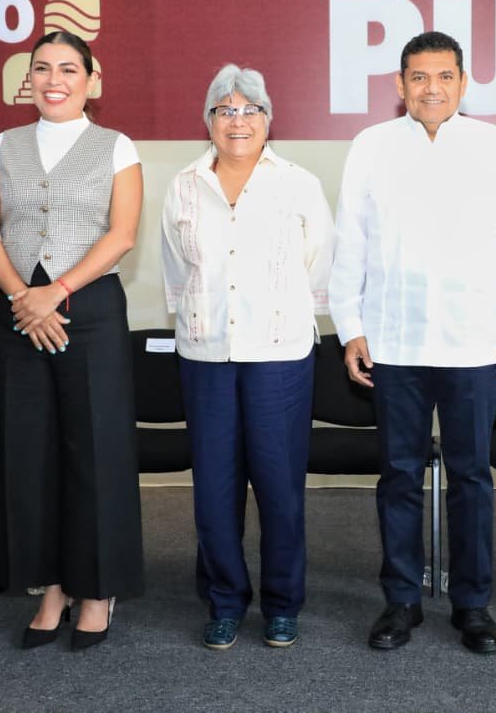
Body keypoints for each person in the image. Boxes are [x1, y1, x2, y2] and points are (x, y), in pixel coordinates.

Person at [330, 31, 496, 654]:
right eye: (419, 77)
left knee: (471, 476)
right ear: (400, 85)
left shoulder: (495, 146)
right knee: (398, 475)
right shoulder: (372, 146)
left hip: (474, 343)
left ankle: (472, 604)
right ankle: (401, 600)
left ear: (463, 82)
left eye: (445, 76)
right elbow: (351, 243)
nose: (432, 88)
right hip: (393, 342)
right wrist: (351, 326)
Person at [0, 30, 145, 650]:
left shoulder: (116, 146)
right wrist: (25, 295)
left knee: (94, 449)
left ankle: (96, 590)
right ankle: (49, 587)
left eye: (69, 69)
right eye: (42, 68)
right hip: (18, 309)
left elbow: (122, 234)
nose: (54, 80)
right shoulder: (3, 144)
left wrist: (57, 290)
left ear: (93, 81)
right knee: (27, 450)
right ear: (30, 80)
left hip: (89, 309)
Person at [161, 64, 333, 651]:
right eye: (225, 110)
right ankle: (226, 600)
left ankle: (282, 603)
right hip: (205, 353)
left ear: (268, 119)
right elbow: (176, 269)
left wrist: (287, 314)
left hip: (279, 355)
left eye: (249, 109)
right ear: (208, 120)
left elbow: (319, 263)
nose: (238, 121)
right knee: (214, 490)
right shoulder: (184, 185)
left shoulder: (298, 184)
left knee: (280, 488)